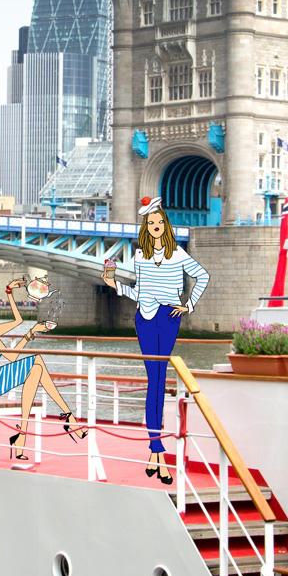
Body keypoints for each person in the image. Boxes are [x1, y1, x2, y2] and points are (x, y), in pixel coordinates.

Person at [102, 196, 208, 485]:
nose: (157, 226)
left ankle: (155, 450)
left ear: (166, 225)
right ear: (146, 228)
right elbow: (141, 293)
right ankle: (156, 450)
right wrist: (116, 286)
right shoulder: (140, 257)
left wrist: (189, 305)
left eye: (160, 222)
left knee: (158, 381)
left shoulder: (179, 256)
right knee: (155, 381)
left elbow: (202, 276)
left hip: (169, 318)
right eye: (151, 223)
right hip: (145, 319)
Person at [0, 274, 86, 462]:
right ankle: (67, 418)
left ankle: (23, 436)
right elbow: (12, 356)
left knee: (36, 368)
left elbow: (18, 321)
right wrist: (32, 333)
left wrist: (9, 293)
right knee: (36, 362)